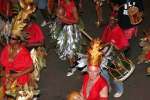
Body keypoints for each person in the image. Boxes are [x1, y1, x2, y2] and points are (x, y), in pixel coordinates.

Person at [52, 0, 83, 76]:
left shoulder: (73, 7)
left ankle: (72, 66)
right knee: (68, 48)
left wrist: (63, 18)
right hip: (63, 27)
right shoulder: (61, 1)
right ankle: (75, 62)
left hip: (70, 29)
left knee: (69, 49)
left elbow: (76, 20)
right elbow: (58, 9)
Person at [0, 34, 34, 99]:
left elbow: (31, 67)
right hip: (7, 75)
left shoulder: (24, 52)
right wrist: (3, 71)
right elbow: (2, 62)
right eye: (10, 38)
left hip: (20, 78)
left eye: (13, 39)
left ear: (18, 41)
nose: (10, 40)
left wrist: (17, 74)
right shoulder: (7, 48)